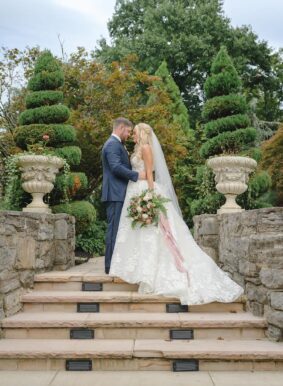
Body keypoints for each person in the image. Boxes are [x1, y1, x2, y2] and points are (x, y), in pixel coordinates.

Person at [109, 123, 243, 305]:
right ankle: (140, 271)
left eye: (135, 133)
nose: (132, 135)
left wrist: (149, 197)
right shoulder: (138, 148)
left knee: (152, 233)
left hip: (143, 190)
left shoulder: (147, 148)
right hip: (133, 191)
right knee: (139, 232)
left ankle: (150, 274)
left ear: (142, 134)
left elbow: (150, 175)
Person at [101, 118, 145, 274]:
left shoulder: (117, 144)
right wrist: (136, 175)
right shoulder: (112, 144)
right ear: (120, 128)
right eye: (128, 131)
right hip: (114, 193)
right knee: (113, 230)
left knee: (117, 229)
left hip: (118, 193)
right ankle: (110, 266)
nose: (129, 134)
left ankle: (115, 264)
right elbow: (115, 167)